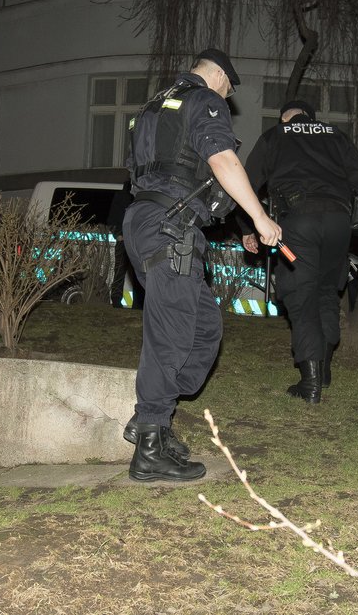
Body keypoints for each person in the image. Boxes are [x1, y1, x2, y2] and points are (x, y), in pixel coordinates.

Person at [120, 48, 282, 481]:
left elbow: (181, 172)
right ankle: (151, 442)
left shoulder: (153, 106)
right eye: (228, 89)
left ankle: (152, 418)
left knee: (204, 327)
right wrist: (262, 218)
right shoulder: (202, 99)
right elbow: (223, 162)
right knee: (171, 333)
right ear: (217, 76)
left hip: (147, 221)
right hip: (169, 226)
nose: (227, 99)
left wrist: (241, 223)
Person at [242, 100, 358, 403]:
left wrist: (248, 226)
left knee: (301, 295)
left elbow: (247, 183)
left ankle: (309, 383)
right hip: (339, 224)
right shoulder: (335, 135)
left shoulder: (277, 135)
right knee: (326, 291)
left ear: (286, 117)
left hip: (299, 223)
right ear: (311, 118)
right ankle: (323, 370)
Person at [106, 180, 143, 309]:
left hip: (137, 241)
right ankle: (116, 301)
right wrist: (119, 235)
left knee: (137, 273)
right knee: (120, 272)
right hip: (125, 240)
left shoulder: (140, 195)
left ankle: (137, 304)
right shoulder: (124, 194)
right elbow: (113, 219)